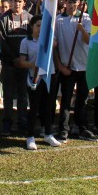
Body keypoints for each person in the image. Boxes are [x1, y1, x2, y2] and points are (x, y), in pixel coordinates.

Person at [54, 0, 98, 141]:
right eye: (69, 2)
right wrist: (60, 66)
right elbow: (55, 46)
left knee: (82, 99)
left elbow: (88, 41)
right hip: (67, 67)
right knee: (66, 99)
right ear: (65, 2)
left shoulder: (85, 18)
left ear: (79, 3)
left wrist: (83, 30)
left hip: (84, 66)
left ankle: (82, 128)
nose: (72, 5)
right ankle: (63, 129)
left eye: (75, 2)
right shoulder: (58, 20)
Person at [17, 16, 62, 150]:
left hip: (49, 75)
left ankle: (48, 133)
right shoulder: (26, 42)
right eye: (38, 25)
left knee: (49, 106)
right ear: (32, 26)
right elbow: (21, 61)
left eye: (43, 26)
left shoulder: (48, 39)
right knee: (34, 107)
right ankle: (30, 136)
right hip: (35, 77)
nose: (40, 28)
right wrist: (33, 64)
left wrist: (47, 36)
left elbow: (54, 44)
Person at [0, 0, 31, 136]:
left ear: (24, 2)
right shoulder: (3, 19)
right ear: (11, 2)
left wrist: (23, 60)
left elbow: (32, 40)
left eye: (20, 1)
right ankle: (7, 124)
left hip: (24, 65)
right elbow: (2, 41)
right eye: (15, 1)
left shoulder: (29, 19)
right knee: (8, 96)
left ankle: (23, 123)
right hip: (9, 64)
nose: (17, 4)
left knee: (23, 96)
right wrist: (13, 59)